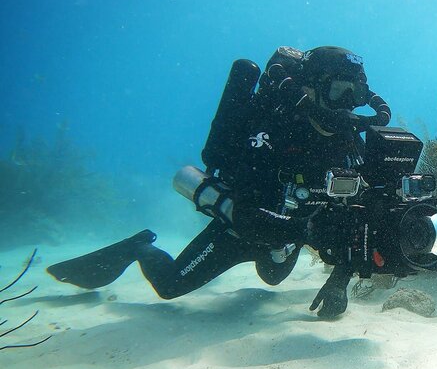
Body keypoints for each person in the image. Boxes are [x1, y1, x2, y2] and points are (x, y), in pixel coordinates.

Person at [47, 46, 393, 319]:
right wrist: (305, 231)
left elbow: (357, 219)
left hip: (290, 234)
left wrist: (339, 280)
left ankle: (284, 246)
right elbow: (246, 213)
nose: (349, 107)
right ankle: (139, 247)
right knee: (169, 286)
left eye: (357, 94)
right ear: (308, 89)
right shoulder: (270, 129)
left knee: (273, 278)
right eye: (338, 92)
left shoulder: (348, 141)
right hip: (240, 228)